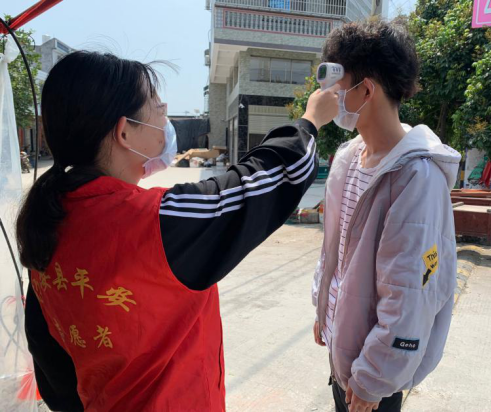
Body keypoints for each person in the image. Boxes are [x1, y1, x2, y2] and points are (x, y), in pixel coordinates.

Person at [18, 51, 339, 411]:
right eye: (156, 105)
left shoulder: (48, 219)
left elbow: (52, 369)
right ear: (124, 132)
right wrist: (310, 121)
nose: (164, 114)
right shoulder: (155, 221)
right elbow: (264, 181)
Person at [311, 19, 461, 412]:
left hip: (373, 376)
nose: (329, 96)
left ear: (366, 90)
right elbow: (334, 253)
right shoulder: (349, 159)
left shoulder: (416, 177)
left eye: (337, 87)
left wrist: (373, 379)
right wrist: (324, 311)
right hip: (343, 353)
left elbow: (410, 294)